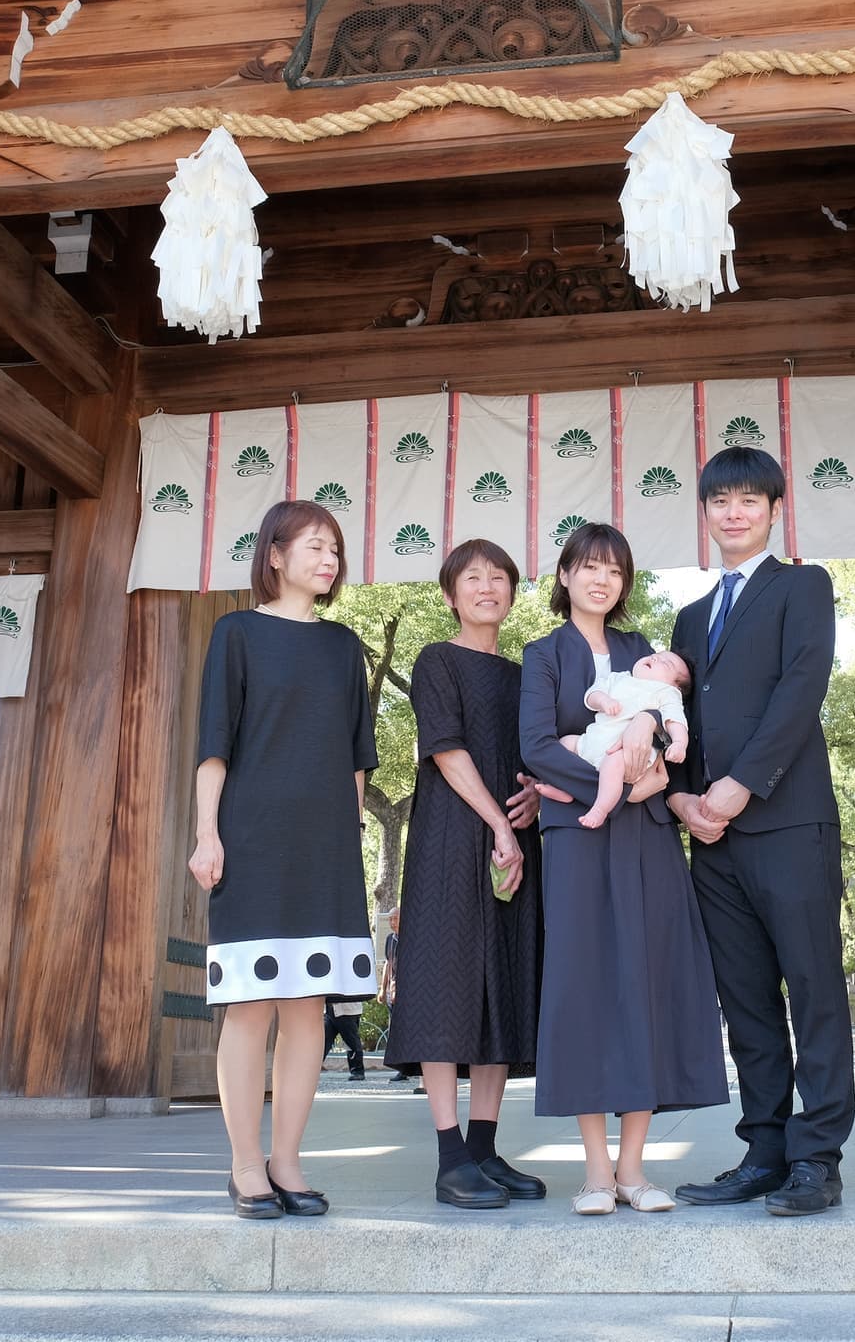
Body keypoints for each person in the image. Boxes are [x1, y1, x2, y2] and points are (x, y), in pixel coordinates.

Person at [667, 446, 855, 1217]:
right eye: (720, 501)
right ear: (705, 513)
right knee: (744, 1000)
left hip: (787, 821)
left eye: (750, 498)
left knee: (812, 991)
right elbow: (671, 721)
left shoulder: (803, 586)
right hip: (710, 840)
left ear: (775, 509)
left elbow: (800, 689)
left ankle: (818, 1158)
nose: (734, 511)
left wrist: (740, 788)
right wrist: (681, 800)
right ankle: (766, 1149)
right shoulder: (688, 616)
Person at [519, 523, 727, 1216]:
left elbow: (676, 731)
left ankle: (635, 1169)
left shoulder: (648, 653)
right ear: (565, 577)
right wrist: (608, 788)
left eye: (613, 569)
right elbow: (537, 746)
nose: (600, 579)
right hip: (578, 836)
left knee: (644, 982)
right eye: (587, 567)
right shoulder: (543, 653)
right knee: (583, 986)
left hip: (648, 835)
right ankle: (596, 1172)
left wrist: (645, 736)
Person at [189, 499, 377, 1220]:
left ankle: (287, 1162)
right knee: (251, 1005)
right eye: (313, 546)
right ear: (275, 554)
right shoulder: (235, 633)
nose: (328, 560)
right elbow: (215, 744)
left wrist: (349, 833)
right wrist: (209, 834)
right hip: (254, 837)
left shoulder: (342, 645)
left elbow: (359, 757)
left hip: (325, 846)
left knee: (307, 1010)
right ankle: (244, 1166)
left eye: (335, 549)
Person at [383, 539, 546, 1209]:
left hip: (514, 841)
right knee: (448, 984)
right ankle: (451, 1156)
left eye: (499, 577)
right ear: (451, 594)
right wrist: (500, 824)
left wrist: (536, 793)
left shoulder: (525, 672)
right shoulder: (436, 661)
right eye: (472, 578)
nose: (488, 587)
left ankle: (484, 1148)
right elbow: (446, 752)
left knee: (500, 986)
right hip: (452, 840)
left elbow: (540, 750)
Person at [560, 648, 691, 828]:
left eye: (665, 663)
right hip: (592, 741)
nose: (655, 657)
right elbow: (592, 694)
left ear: (675, 686)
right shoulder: (618, 678)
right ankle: (561, 787)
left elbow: (675, 720)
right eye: (657, 655)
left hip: (625, 753)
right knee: (564, 743)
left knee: (613, 764)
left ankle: (600, 808)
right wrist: (604, 701)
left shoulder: (666, 692)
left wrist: (679, 743)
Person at [324, 998, 366, 1080]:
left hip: (347, 1010)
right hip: (329, 1009)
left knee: (351, 1042)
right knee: (323, 1040)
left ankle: (358, 1071)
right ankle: (312, 1069)